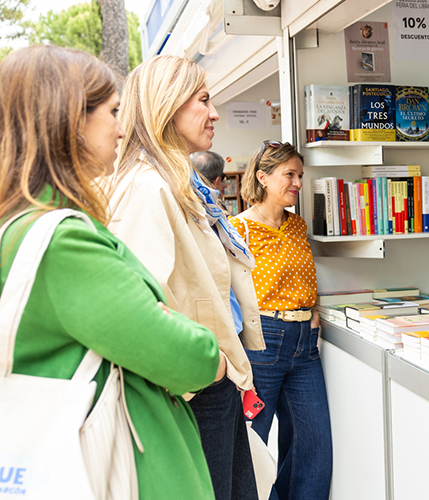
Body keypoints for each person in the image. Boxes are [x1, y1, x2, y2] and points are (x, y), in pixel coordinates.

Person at [0, 45, 224, 499]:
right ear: (68, 120)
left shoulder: (20, 225)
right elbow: (184, 354)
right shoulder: (64, 242)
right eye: (113, 111)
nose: (122, 128)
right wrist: (208, 351)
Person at [107, 55, 265, 500]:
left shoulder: (180, 183)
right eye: (203, 100)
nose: (214, 113)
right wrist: (211, 366)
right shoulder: (148, 188)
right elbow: (138, 307)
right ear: (167, 105)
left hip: (209, 381)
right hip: (197, 387)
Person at [229, 141, 333, 500]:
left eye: (300, 175)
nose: (298, 183)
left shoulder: (297, 225)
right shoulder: (237, 229)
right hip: (263, 341)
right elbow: (227, 291)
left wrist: (313, 312)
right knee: (252, 443)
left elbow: (302, 279)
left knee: (313, 445)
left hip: (305, 344)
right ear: (263, 177)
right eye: (289, 174)